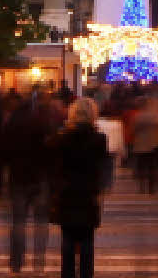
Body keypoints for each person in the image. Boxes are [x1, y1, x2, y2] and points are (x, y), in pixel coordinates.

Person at [46, 99, 113, 278]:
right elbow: (101, 166)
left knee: (67, 238)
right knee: (87, 239)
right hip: (88, 193)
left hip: (66, 192)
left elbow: (51, 164)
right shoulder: (99, 139)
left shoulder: (61, 138)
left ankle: (67, 274)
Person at [0, 85, 59, 271]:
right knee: (40, 221)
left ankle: (16, 261)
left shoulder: (12, 125)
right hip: (39, 177)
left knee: (18, 222)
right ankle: (39, 260)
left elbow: (3, 151)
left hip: (17, 177)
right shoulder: (41, 123)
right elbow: (50, 150)